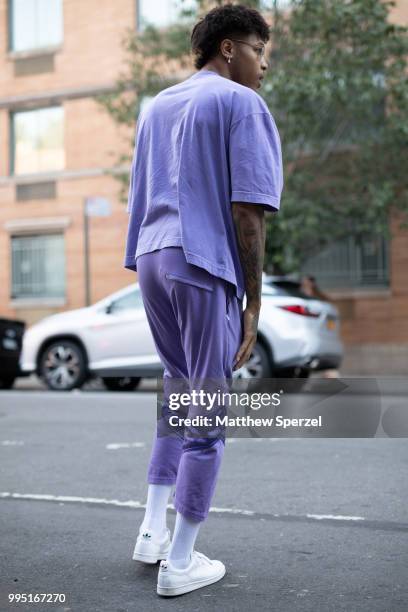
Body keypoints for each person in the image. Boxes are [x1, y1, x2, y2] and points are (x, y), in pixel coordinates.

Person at [123, 3, 283, 597]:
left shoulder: (158, 106)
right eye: (259, 51)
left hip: (151, 259)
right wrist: (253, 302)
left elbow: (139, 196)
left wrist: (140, 259)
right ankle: (181, 562)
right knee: (209, 414)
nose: (264, 66)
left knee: (177, 387)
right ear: (228, 49)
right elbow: (249, 211)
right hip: (201, 264)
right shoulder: (243, 104)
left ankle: (151, 531)